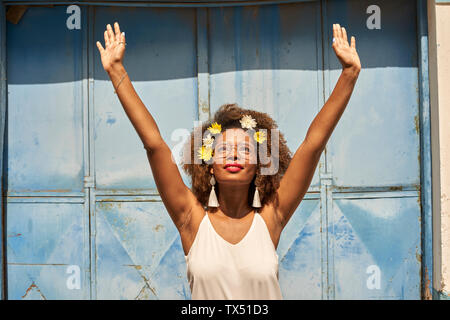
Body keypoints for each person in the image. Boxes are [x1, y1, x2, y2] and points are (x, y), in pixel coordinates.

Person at [96, 22, 361, 300]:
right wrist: (116, 70)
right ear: (208, 163)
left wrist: (349, 74)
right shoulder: (191, 219)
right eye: (224, 150)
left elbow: (313, 145)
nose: (234, 154)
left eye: (245, 150)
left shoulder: (271, 217)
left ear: (259, 166)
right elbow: (154, 145)